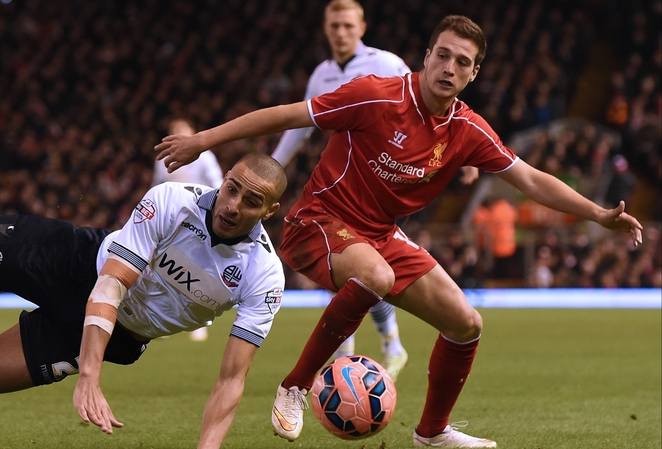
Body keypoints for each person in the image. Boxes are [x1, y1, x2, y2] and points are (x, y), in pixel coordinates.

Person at [155, 15, 643, 448]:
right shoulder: (375, 94)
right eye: (443, 55)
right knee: (378, 277)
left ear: (474, 74)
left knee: (466, 323)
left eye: (463, 62)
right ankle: (296, 385)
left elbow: (530, 179)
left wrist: (598, 213)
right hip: (319, 222)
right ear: (427, 57)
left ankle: (431, 433)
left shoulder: (468, 128)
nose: (449, 68)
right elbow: (289, 115)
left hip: (380, 236)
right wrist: (202, 140)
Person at [0, 130, 288, 449]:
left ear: (269, 211)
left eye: (251, 201)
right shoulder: (173, 201)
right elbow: (111, 285)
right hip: (73, 264)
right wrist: (89, 375)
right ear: (223, 182)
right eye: (231, 189)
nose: (233, 206)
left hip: (119, 336)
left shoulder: (264, 275)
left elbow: (231, 378)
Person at [271, 0, 413, 380]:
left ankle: (377, 349)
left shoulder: (386, 64)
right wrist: (271, 173)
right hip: (339, 186)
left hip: (380, 186)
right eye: (334, 25)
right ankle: (380, 349)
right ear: (325, 28)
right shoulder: (322, 74)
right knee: (352, 274)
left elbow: (426, 107)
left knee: (362, 274)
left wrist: (461, 158)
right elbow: (300, 129)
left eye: (348, 25)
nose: (341, 32)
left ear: (362, 27)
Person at [152, 116, 224, 342]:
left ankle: (197, 321)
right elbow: (156, 186)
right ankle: (158, 317)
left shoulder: (205, 157)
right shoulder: (163, 156)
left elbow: (219, 185)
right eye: (173, 129)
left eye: (182, 128)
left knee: (195, 270)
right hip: (170, 220)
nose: (177, 132)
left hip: (197, 221)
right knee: (161, 268)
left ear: (193, 131)